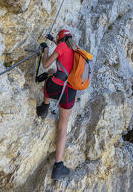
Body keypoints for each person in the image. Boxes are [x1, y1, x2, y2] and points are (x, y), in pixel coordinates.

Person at [36, 29, 78, 180]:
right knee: (63, 126)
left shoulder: (60, 47)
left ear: (60, 40)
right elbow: (62, 48)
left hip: (55, 89)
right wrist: (54, 40)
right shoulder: (75, 48)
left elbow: (46, 64)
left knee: (51, 74)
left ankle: (44, 106)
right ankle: (58, 166)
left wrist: (46, 49)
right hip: (69, 92)